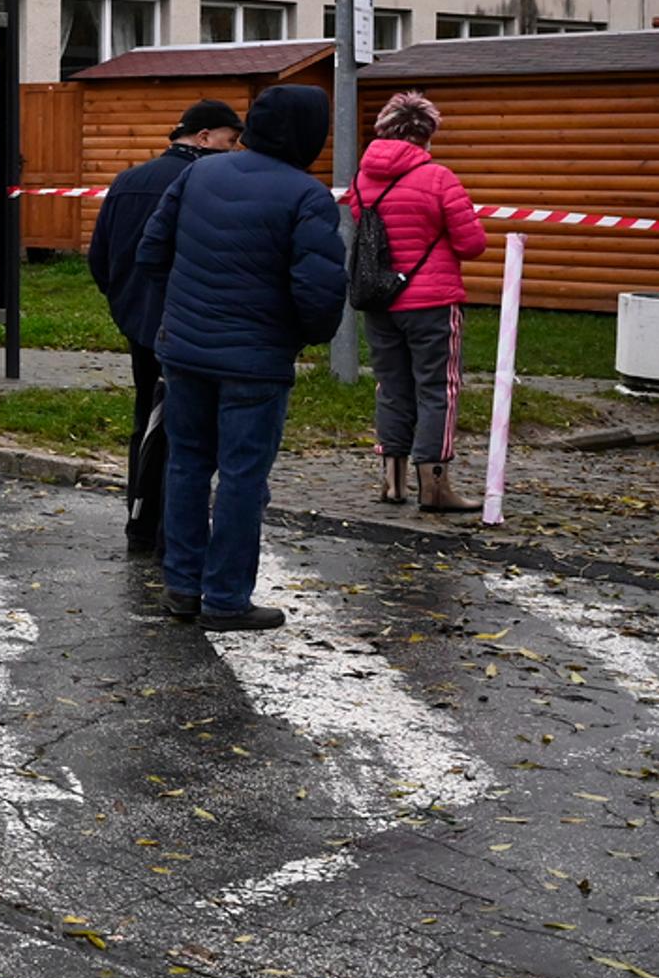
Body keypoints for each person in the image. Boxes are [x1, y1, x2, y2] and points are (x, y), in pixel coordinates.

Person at [136, 82, 347, 633]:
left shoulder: (198, 172)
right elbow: (319, 294)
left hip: (183, 350)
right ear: (309, 135)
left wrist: (188, 306)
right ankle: (226, 597)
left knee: (186, 464)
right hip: (255, 359)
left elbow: (151, 251)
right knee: (242, 477)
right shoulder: (307, 196)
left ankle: (181, 585)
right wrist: (299, 336)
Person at [86, 100, 243, 559]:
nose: (234, 152)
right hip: (195, 322)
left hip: (139, 319)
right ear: (203, 137)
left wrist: (126, 305)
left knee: (146, 421)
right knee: (189, 429)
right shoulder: (210, 184)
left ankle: (140, 521)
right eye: (230, 141)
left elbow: (100, 258)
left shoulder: (129, 180)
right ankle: (173, 533)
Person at [351, 90, 488, 514]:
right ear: (427, 134)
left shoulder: (362, 178)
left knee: (391, 387)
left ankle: (392, 483)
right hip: (432, 301)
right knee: (437, 390)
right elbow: (472, 244)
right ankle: (435, 486)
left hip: (380, 299)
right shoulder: (439, 178)